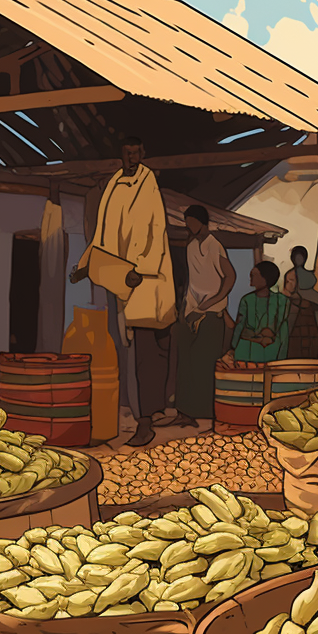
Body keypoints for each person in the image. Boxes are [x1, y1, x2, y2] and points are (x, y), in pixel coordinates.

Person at [70, 136, 176, 447]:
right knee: (124, 352)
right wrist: (85, 264)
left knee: (145, 354)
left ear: (143, 153)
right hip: (118, 278)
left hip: (146, 281)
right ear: (121, 154)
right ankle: (130, 417)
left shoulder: (148, 184)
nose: (131, 157)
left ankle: (145, 423)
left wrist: (139, 269)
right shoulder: (114, 185)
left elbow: (154, 231)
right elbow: (102, 233)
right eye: (126, 153)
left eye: (136, 152)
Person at [173, 206, 236, 427]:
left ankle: (208, 414)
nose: (189, 226)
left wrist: (214, 299)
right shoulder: (190, 247)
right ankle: (184, 413)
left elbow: (230, 276)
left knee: (204, 364)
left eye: (192, 221)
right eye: (187, 222)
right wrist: (184, 308)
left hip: (211, 313)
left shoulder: (214, 245)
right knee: (185, 364)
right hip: (191, 311)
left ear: (202, 222)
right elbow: (192, 281)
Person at [226, 261, 291, 363]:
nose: (251, 277)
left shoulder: (281, 301)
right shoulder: (247, 300)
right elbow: (240, 326)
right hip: (247, 350)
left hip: (272, 350)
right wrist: (233, 347)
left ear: (265, 278)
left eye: (254, 275)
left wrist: (282, 358)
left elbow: (283, 330)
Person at [284, 246, 318, 359]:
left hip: (311, 295)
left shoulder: (309, 274)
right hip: (297, 295)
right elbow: (288, 290)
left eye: (301, 258)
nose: (299, 260)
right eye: (297, 258)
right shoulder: (291, 274)